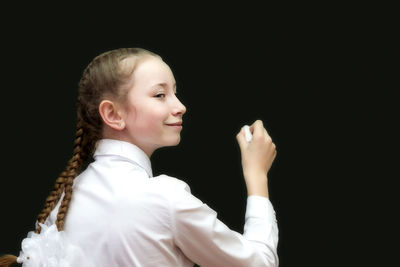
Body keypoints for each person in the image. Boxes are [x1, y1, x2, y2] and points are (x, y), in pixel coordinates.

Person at [0, 47, 279, 267]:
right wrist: (256, 175)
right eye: (160, 95)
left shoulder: (65, 200)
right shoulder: (164, 198)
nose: (180, 106)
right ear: (112, 114)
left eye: (175, 93)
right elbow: (260, 263)